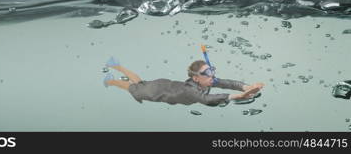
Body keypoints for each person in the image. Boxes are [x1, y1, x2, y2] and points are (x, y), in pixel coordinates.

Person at [103, 57, 264, 106]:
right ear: (196, 78)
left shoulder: (206, 81)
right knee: (133, 87)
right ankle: (111, 81)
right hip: (157, 92)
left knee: (140, 82)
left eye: (212, 71)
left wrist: (246, 86)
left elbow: (227, 83)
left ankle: (116, 66)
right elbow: (205, 99)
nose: (212, 76)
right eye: (207, 73)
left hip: (165, 83)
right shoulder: (190, 89)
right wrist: (236, 97)